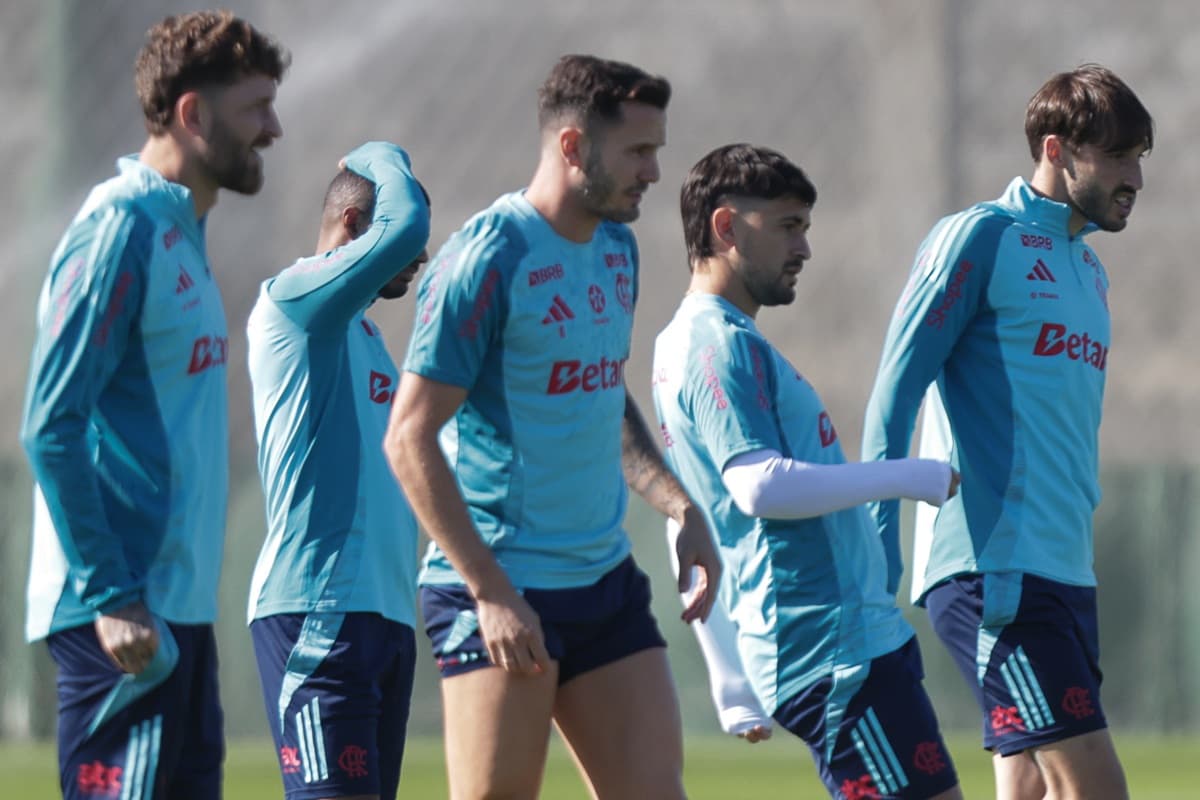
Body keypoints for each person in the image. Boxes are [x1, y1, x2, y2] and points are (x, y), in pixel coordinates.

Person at [383, 54, 721, 800]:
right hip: (503, 587)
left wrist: (681, 506)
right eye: (638, 151)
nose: (654, 172)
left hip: (603, 584)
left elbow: (604, 398)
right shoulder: (487, 259)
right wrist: (490, 590)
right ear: (573, 148)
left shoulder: (616, 248)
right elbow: (408, 438)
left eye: (656, 150)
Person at [861, 64, 1153, 800]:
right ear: (1056, 149)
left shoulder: (1090, 271)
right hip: (993, 572)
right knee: (1096, 789)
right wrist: (875, 550)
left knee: (1028, 790)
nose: (1135, 179)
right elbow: (895, 390)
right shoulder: (979, 240)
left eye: (1139, 158)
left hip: (1064, 573)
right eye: (1118, 156)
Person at [19, 11, 286, 800]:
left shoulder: (180, 231)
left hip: (175, 609)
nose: (273, 128)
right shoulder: (119, 231)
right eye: (255, 108)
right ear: (192, 115)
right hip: (121, 617)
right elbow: (50, 424)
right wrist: (112, 595)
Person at [652, 142, 963, 800]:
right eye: (789, 227)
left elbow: (689, 516)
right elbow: (757, 487)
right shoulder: (715, 344)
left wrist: (729, 677)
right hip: (832, 650)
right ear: (726, 227)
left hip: (847, 644)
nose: (805, 249)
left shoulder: (707, 341)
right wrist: (912, 477)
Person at [245, 141, 430, 800]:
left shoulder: (368, 338)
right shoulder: (297, 304)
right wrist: (380, 154)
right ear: (355, 228)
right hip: (318, 614)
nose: (419, 256)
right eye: (408, 250)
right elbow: (404, 221)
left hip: (383, 619)